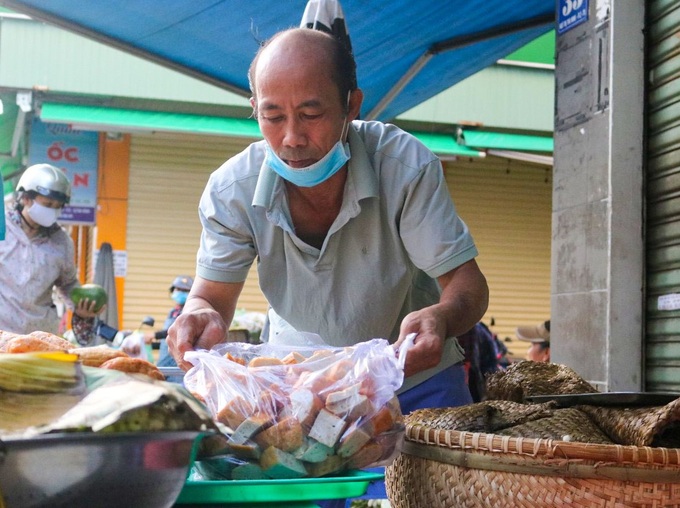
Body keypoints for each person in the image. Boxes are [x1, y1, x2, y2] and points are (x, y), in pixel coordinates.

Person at [168, 27, 489, 413]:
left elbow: (466, 284)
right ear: (255, 108)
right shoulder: (231, 190)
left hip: (413, 380)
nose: (291, 138)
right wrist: (198, 315)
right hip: (299, 388)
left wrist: (441, 316)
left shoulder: (403, 166)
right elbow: (211, 298)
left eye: (311, 114)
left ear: (352, 106)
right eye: (272, 116)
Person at [0, 163, 101, 341]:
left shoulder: (62, 242)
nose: (52, 210)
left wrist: (83, 307)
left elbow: (68, 283)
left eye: (58, 206)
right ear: (26, 198)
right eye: (47, 204)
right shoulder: (3, 229)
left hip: (39, 338)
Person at [155, 275, 194, 368]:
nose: (180, 292)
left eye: (185, 291)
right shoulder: (173, 312)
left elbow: (177, 331)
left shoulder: (191, 312)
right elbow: (168, 338)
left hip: (178, 363)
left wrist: (153, 336)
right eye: (178, 289)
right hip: (165, 361)